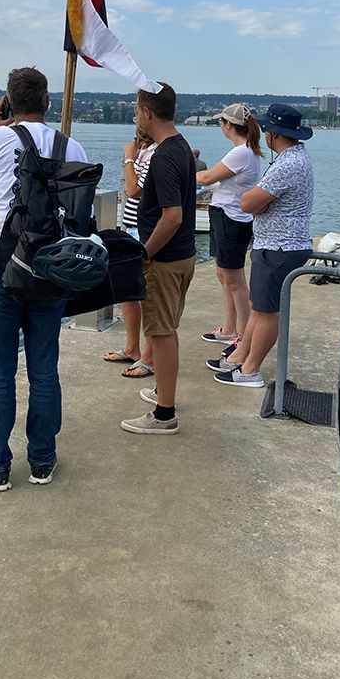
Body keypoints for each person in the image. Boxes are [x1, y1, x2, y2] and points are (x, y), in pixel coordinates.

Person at [0, 66, 90, 490]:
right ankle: (42, 460)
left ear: (9, 102)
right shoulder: (71, 146)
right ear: (47, 102)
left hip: (0, 263)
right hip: (52, 263)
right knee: (44, 367)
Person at [212, 103, 314, 388]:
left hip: (280, 247)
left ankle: (250, 370)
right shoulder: (295, 157)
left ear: (274, 134)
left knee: (268, 312)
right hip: (276, 244)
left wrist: (257, 203)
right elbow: (257, 201)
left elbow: (247, 202)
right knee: (258, 308)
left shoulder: (288, 165)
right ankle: (240, 357)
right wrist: (259, 203)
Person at [121, 82, 196, 435]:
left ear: (147, 112)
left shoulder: (164, 156)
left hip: (164, 260)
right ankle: (162, 391)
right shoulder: (181, 147)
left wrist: (144, 253)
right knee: (168, 329)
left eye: (138, 110)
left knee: (162, 333)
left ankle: (165, 414)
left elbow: (173, 216)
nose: (137, 116)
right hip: (183, 255)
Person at [196, 104, 263, 346]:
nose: (221, 126)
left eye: (221, 122)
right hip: (225, 216)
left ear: (229, 125)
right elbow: (221, 181)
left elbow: (206, 177)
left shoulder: (241, 153)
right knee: (224, 274)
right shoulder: (246, 151)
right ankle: (229, 328)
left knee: (235, 280)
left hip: (230, 219)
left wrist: (181, 174)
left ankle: (243, 337)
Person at [103, 128, 156, 378]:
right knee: (127, 290)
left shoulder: (154, 153)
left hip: (143, 229)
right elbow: (130, 186)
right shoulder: (143, 151)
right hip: (131, 226)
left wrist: (128, 159)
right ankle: (132, 347)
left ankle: (149, 357)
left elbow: (134, 189)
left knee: (148, 294)